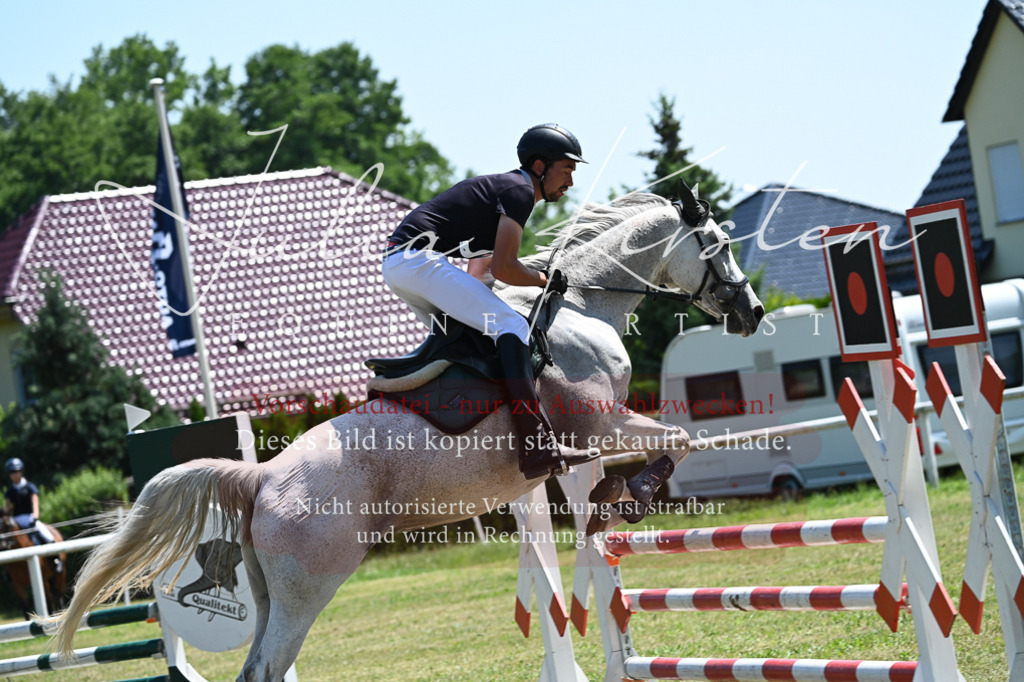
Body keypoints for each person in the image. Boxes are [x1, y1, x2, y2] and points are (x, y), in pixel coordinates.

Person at [382, 123, 598, 480]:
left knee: (475, 338)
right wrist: (546, 280)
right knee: (511, 325)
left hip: (401, 266)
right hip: (416, 261)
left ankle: (474, 432)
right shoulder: (518, 191)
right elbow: (506, 267)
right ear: (540, 167)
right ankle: (537, 443)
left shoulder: (505, 192)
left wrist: (520, 282)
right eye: (567, 170)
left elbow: (480, 275)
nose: (570, 183)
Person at [4, 457, 56, 547]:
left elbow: (35, 503)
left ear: (21, 472)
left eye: (17, 472)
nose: (15, 475)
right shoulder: (10, 491)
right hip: (16, 519)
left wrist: (35, 518)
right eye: (12, 473)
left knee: (48, 535)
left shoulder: (30, 487)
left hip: (30, 518)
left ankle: (56, 558)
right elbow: (8, 508)